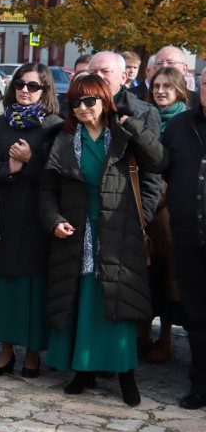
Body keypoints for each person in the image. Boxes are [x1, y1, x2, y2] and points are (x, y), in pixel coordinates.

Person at [40, 75, 166, 407]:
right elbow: (47, 190)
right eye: (75, 103)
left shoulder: (123, 133)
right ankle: (83, 370)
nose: (82, 108)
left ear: (104, 100)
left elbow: (158, 162)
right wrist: (54, 220)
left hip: (119, 231)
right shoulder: (65, 140)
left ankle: (126, 374)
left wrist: (135, 127)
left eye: (89, 101)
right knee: (84, 301)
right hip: (78, 232)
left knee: (118, 301)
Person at [0, 64, 63, 379]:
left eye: (33, 86)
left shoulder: (55, 126)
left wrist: (31, 164)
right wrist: (12, 169)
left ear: (45, 90)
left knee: (33, 287)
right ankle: (5, 351)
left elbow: (61, 174)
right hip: (5, 211)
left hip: (37, 217)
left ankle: (32, 353)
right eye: (19, 84)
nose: (25, 90)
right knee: (4, 286)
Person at [161, 68, 206, 409]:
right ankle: (198, 385)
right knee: (195, 314)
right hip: (188, 237)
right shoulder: (178, 126)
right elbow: (158, 172)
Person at [138, 66, 188, 363]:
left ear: (180, 89)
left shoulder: (185, 122)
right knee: (144, 273)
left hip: (171, 211)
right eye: (156, 86)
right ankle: (142, 335)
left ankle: (166, 339)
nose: (161, 91)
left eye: (168, 86)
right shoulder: (146, 116)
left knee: (170, 276)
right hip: (145, 205)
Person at [87, 51, 162, 219]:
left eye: (105, 71)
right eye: (93, 72)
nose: (98, 76)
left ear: (123, 77)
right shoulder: (73, 110)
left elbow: (151, 178)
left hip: (123, 217)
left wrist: (141, 220)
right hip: (80, 216)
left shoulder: (143, 114)